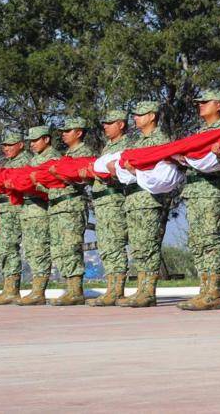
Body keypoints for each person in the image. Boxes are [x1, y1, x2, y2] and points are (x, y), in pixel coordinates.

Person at [178, 88, 220, 311]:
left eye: (205, 101)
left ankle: (213, 292)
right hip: (194, 191)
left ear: (219, 105)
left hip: (211, 191)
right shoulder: (200, 131)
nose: (200, 105)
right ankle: (204, 289)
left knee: (210, 241)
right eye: (199, 102)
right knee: (197, 242)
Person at [120, 101, 173, 307]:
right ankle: (141, 289)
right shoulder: (137, 142)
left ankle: (148, 292)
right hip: (133, 199)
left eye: (140, 115)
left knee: (148, 245)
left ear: (152, 116)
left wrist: (136, 171)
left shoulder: (160, 140)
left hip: (148, 200)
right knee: (138, 247)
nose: (135, 118)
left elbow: (162, 171)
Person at [44, 116, 95, 306]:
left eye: (68, 131)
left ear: (79, 133)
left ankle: (76, 290)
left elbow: (83, 179)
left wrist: (61, 175)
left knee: (71, 247)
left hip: (71, 206)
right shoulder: (66, 154)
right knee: (59, 249)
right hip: (58, 206)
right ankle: (69, 288)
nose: (64, 134)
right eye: (63, 132)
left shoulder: (84, 152)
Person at [87, 110, 132, 306]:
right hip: (102, 203)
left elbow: (126, 173)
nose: (105, 126)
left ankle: (117, 290)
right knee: (106, 246)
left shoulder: (127, 145)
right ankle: (111, 288)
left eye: (109, 123)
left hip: (114, 201)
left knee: (114, 244)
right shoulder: (108, 146)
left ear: (121, 125)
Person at [14, 126, 58, 305]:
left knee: (40, 250)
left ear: (46, 139)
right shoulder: (34, 160)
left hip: (41, 210)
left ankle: (39, 291)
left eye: (36, 140)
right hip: (28, 209)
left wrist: (35, 184)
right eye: (30, 141)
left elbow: (54, 186)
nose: (32, 144)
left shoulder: (53, 158)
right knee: (31, 251)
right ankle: (35, 289)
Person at [0, 130, 28, 305]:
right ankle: (8, 288)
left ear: (20, 145)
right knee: (2, 250)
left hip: (12, 211)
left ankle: (12, 290)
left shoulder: (24, 162)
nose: (6, 148)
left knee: (9, 249)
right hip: (3, 211)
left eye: (10, 145)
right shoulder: (9, 163)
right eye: (4, 145)